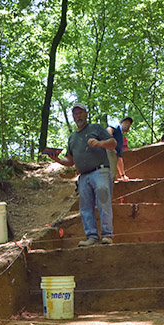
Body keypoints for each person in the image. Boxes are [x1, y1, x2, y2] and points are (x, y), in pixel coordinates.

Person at [47, 103, 117, 246]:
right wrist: (58, 160)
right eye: (75, 114)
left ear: (86, 114)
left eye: (80, 113)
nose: (78, 116)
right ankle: (92, 237)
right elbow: (70, 160)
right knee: (85, 207)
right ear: (73, 117)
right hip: (83, 176)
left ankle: (107, 235)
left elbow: (113, 143)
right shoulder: (72, 137)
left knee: (103, 200)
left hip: (100, 171)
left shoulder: (95, 128)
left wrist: (99, 143)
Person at [107, 117, 133, 181]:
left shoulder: (120, 140)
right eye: (126, 122)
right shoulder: (117, 126)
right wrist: (110, 140)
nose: (127, 125)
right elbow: (109, 129)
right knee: (109, 177)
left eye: (129, 124)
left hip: (112, 155)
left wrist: (122, 175)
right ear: (121, 123)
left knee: (111, 176)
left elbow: (119, 158)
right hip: (107, 151)